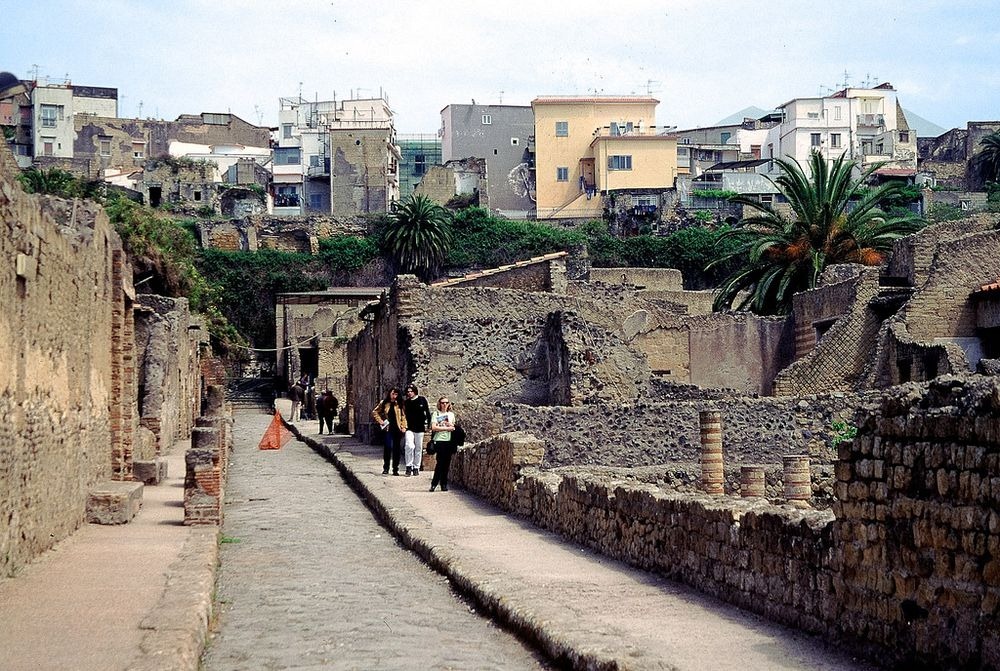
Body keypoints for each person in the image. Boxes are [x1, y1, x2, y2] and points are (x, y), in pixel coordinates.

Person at [371, 387, 407, 476]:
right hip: (388, 429)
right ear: (389, 394)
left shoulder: (400, 404)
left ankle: (395, 469)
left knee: (396, 449)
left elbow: (403, 416)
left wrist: (404, 426)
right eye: (393, 394)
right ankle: (386, 468)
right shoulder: (384, 403)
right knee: (387, 447)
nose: (394, 396)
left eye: (396, 394)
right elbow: (375, 412)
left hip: (397, 429)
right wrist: (380, 421)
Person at [403, 384, 431, 476]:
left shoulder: (422, 400)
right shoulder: (406, 403)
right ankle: (408, 466)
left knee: (418, 448)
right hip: (409, 427)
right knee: (409, 445)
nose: (409, 393)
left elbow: (427, 412)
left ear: (415, 391)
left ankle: (416, 467)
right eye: (408, 392)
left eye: (411, 391)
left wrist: (428, 424)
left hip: (420, 427)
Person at [429, 396, 456, 492]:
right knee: (440, 462)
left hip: (448, 441)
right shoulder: (436, 414)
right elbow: (433, 427)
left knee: (446, 463)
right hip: (439, 440)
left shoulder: (451, 415)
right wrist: (446, 428)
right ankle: (434, 483)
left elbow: (453, 427)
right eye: (442, 403)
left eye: (446, 403)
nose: (444, 404)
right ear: (439, 404)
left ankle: (444, 484)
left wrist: (449, 426)